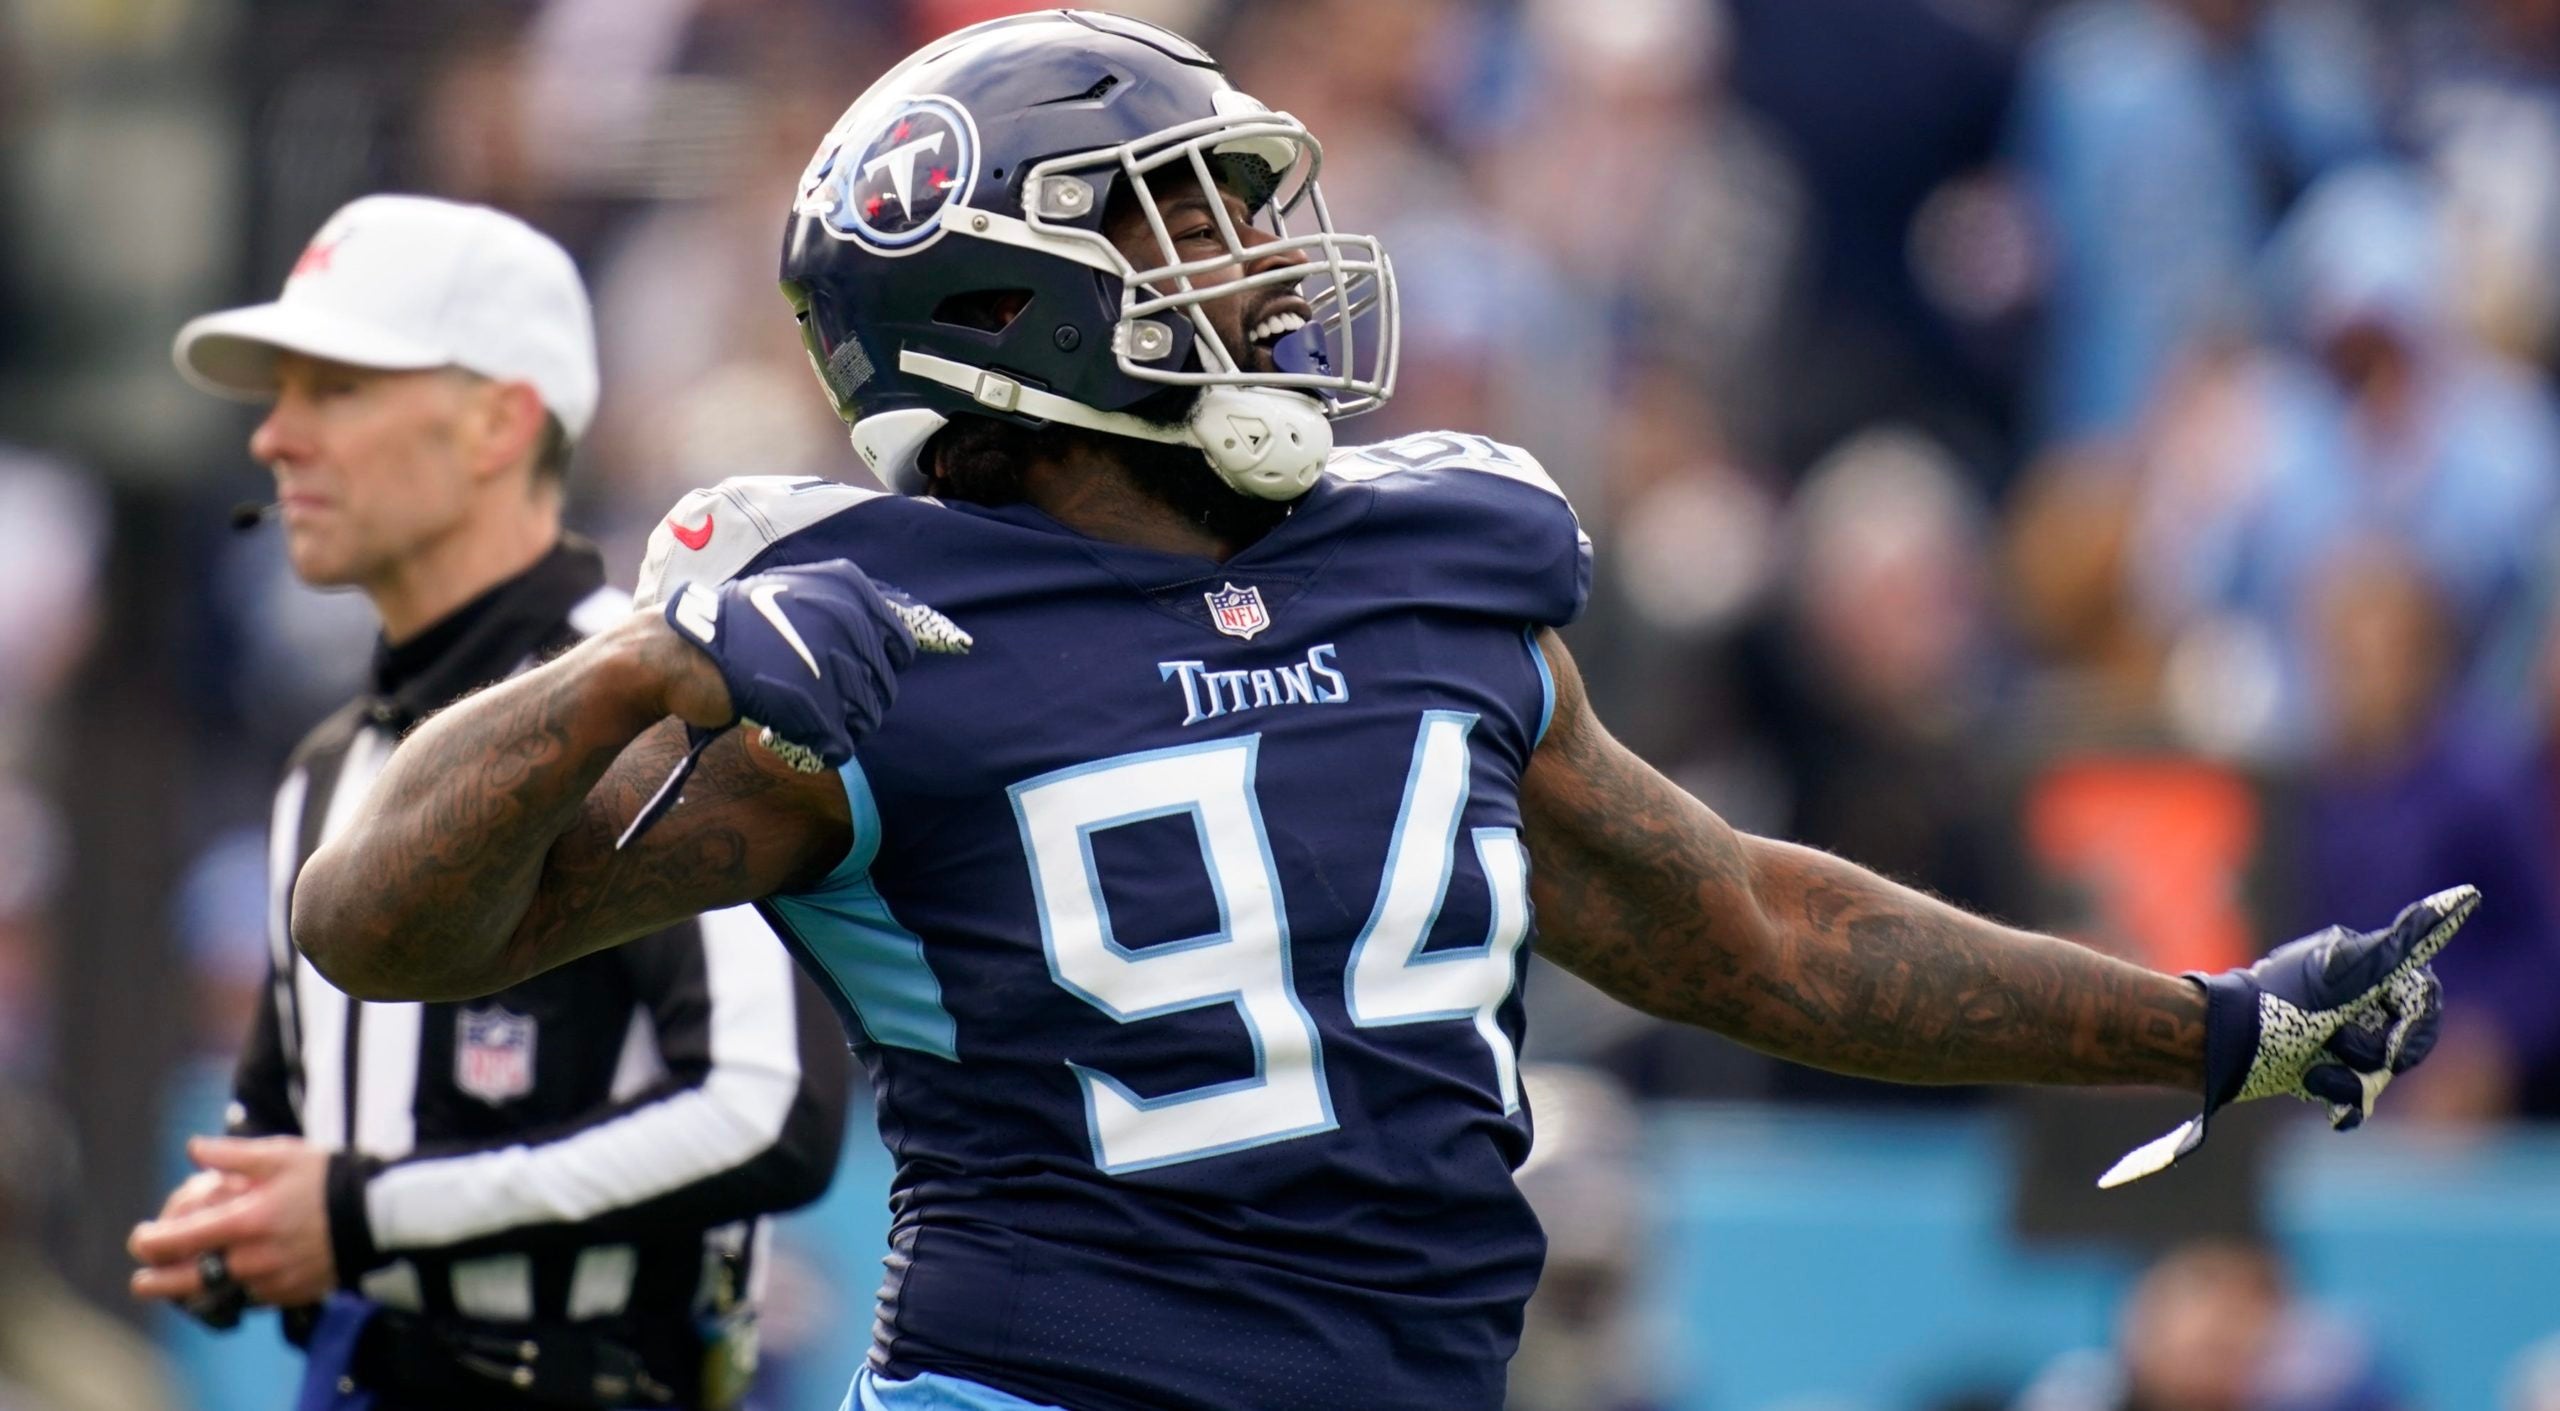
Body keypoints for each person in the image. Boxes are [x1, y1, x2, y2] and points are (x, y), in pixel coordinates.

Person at [286, 17, 2471, 1411]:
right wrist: (634, 668)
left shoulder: (1430, 553)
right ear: (995, 294)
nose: (1256, 263)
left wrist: (2195, 1025)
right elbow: (386, 924)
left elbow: (1746, 928)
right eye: (1180, 222)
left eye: (1243, 213)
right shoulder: (872, 641)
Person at [125, 194, 853, 1411]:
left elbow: (772, 1106)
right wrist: (236, 1231)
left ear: (497, 423)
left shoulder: (656, 708)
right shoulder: (325, 766)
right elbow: (287, 1124)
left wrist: (364, 1214)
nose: (274, 438)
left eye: (335, 389)